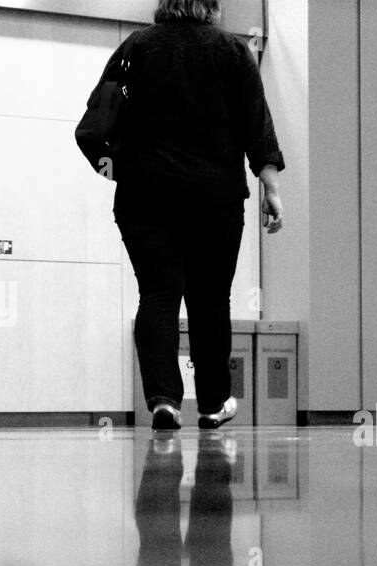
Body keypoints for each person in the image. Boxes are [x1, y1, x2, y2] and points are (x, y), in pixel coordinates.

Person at [91, 0, 285, 431]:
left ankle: (164, 400)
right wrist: (271, 187)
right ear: (212, 7)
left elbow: (96, 124)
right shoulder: (231, 52)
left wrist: (117, 168)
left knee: (158, 295)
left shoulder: (134, 49)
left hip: (145, 197)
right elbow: (258, 124)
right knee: (210, 299)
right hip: (214, 199)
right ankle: (213, 403)